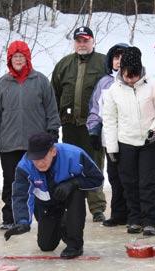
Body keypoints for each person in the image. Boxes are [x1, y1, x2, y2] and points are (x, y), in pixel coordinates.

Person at [0, 40, 60, 231]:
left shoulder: (41, 81)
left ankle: (44, 214)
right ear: (10, 60)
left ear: (27, 59)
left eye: (21, 57)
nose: (18, 60)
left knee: (40, 180)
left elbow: (51, 108)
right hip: (9, 142)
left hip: (35, 144)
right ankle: (11, 216)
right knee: (11, 181)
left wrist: (53, 129)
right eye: (14, 57)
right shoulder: (2, 83)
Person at [3, 132, 104, 259]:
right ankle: (62, 221)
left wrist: (73, 183)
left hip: (70, 198)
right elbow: (20, 195)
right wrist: (22, 221)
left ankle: (75, 244)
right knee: (46, 245)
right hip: (47, 203)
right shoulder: (24, 167)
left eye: (43, 158)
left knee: (77, 193)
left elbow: (97, 178)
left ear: (53, 151)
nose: (39, 163)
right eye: (35, 159)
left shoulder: (74, 155)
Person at [102, 47, 155, 236]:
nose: (130, 79)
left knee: (147, 182)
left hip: (150, 142)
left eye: (134, 75)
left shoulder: (154, 86)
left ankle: (150, 221)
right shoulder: (113, 90)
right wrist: (112, 148)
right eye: (127, 75)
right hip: (125, 142)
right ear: (121, 71)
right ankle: (135, 218)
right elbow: (110, 120)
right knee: (128, 182)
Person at [52, 26, 107, 223]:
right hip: (69, 126)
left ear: (93, 41)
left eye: (85, 40)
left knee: (93, 165)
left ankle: (97, 207)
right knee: (70, 165)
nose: (82, 44)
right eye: (79, 41)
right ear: (74, 43)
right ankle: (71, 203)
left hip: (93, 126)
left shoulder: (103, 62)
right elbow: (54, 94)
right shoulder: (64, 64)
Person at [86, 43, 129, 227]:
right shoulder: (105, 82)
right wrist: (94, 129)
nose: (119, 61)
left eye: (122, 57)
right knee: (114, 177)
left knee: (130, 177)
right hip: (109, 138)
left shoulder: (134, 80)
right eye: (116, 58)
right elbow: (96, 108)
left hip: (130, 137)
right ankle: (118, 214)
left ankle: (135, 214)